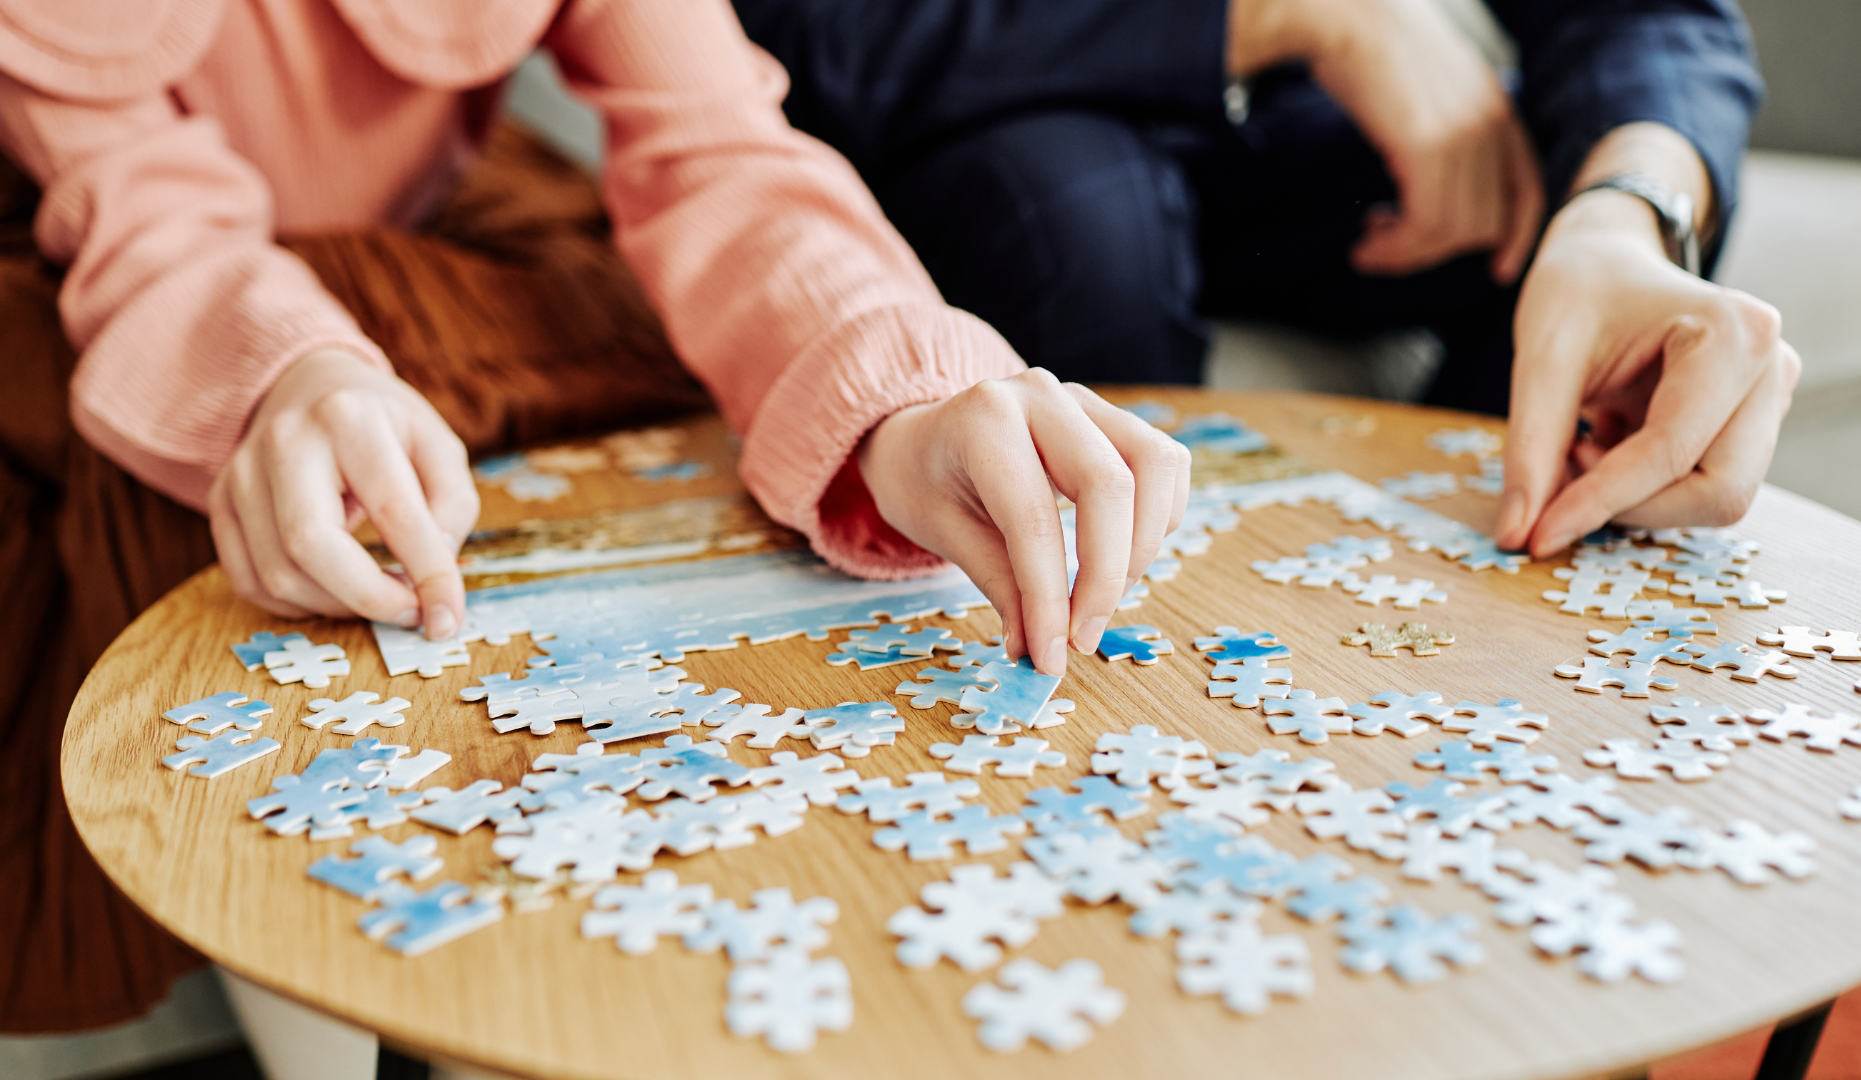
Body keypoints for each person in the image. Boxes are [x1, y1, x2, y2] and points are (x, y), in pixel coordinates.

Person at [0, 0, 1186, 1037]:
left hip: (438, 224)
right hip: (122, 259)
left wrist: (903, 401)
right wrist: (282, 374)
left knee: (685, 432)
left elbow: (718, 147)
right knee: (266, 537)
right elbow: (152, 221)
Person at [732, 0, 1803, 558]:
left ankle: (1485, 583)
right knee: (1078, 221)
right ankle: (1105, 628)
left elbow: (1658, 26)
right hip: (981, 112)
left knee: (1581, 176)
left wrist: (1626, 211)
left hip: (1280, 130)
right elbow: (795, 31)